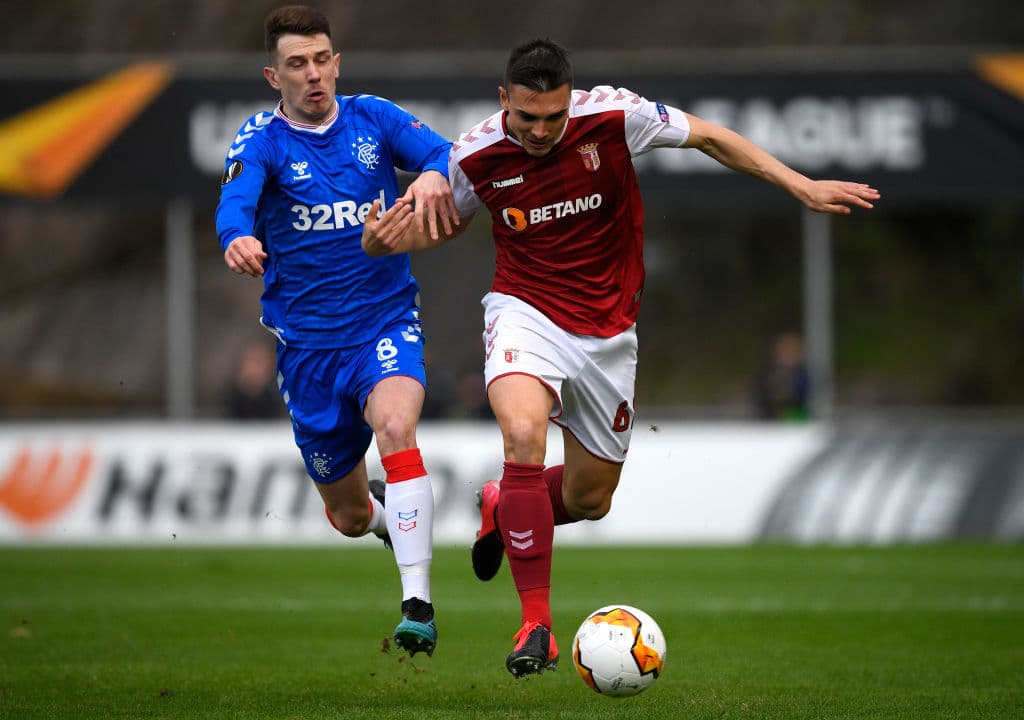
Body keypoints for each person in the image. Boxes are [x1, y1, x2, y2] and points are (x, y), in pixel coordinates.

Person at [361, 38, 879, 676]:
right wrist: (380, 242)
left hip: (609, 334)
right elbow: (442, 224)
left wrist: (799, 184)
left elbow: (710, 136)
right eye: (527, 118)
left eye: (554, 117)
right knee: (522, 432)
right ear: (504, 101)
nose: (542, 131)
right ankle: (536, 625)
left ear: (571, 99)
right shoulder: (474, 155)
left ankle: (502, 504)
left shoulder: (613, 116)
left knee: (589, 498)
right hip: (526, 312)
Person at [215, 4, 458, 657]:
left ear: (337, 63)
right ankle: (381, 519)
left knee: (397, 427)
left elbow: (443, 151)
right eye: (297, 64)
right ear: (274, 76)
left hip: (384, 323)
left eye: (322, 59)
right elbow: (235, 202)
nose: (313, 74)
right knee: (349, 517)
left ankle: (417, 604)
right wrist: (237, 237)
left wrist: (433, 172)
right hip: (308, 353)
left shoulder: (373, 118)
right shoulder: (261, 140)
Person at [750, 332, 811, 421]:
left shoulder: (805, 377)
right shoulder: (764, 376)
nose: (789, 354)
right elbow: (759, 403)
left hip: (799, 422)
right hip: (769, 423)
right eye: (785, 349)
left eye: (793, 350)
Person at [222, 338, 287, 420]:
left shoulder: (283, 398)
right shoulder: (227, 399)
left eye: (258, 362)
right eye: (250, 361)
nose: (253, 368)